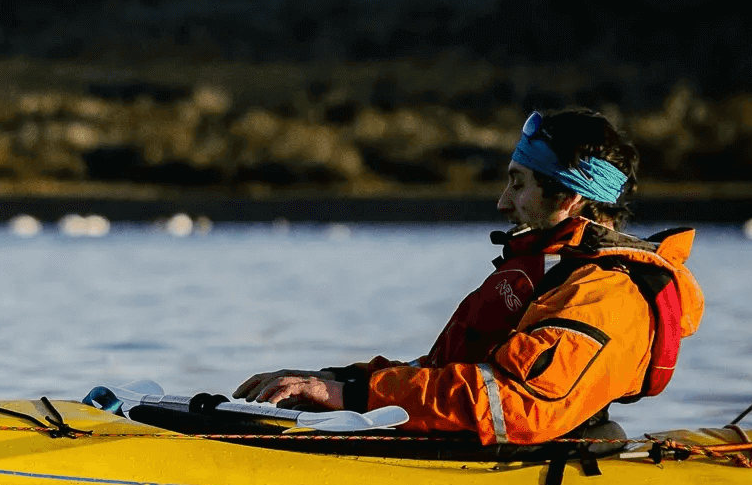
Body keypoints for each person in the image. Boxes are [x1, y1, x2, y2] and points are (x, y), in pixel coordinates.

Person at [235, 108, 704, 445]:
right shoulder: (554, 274)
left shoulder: (605, 294)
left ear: (568, 200)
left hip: (536, 484)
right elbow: (446, 375)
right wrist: (331, 381)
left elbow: (517, 406)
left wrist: (351, 396)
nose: (503, 202)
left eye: (518, 184)